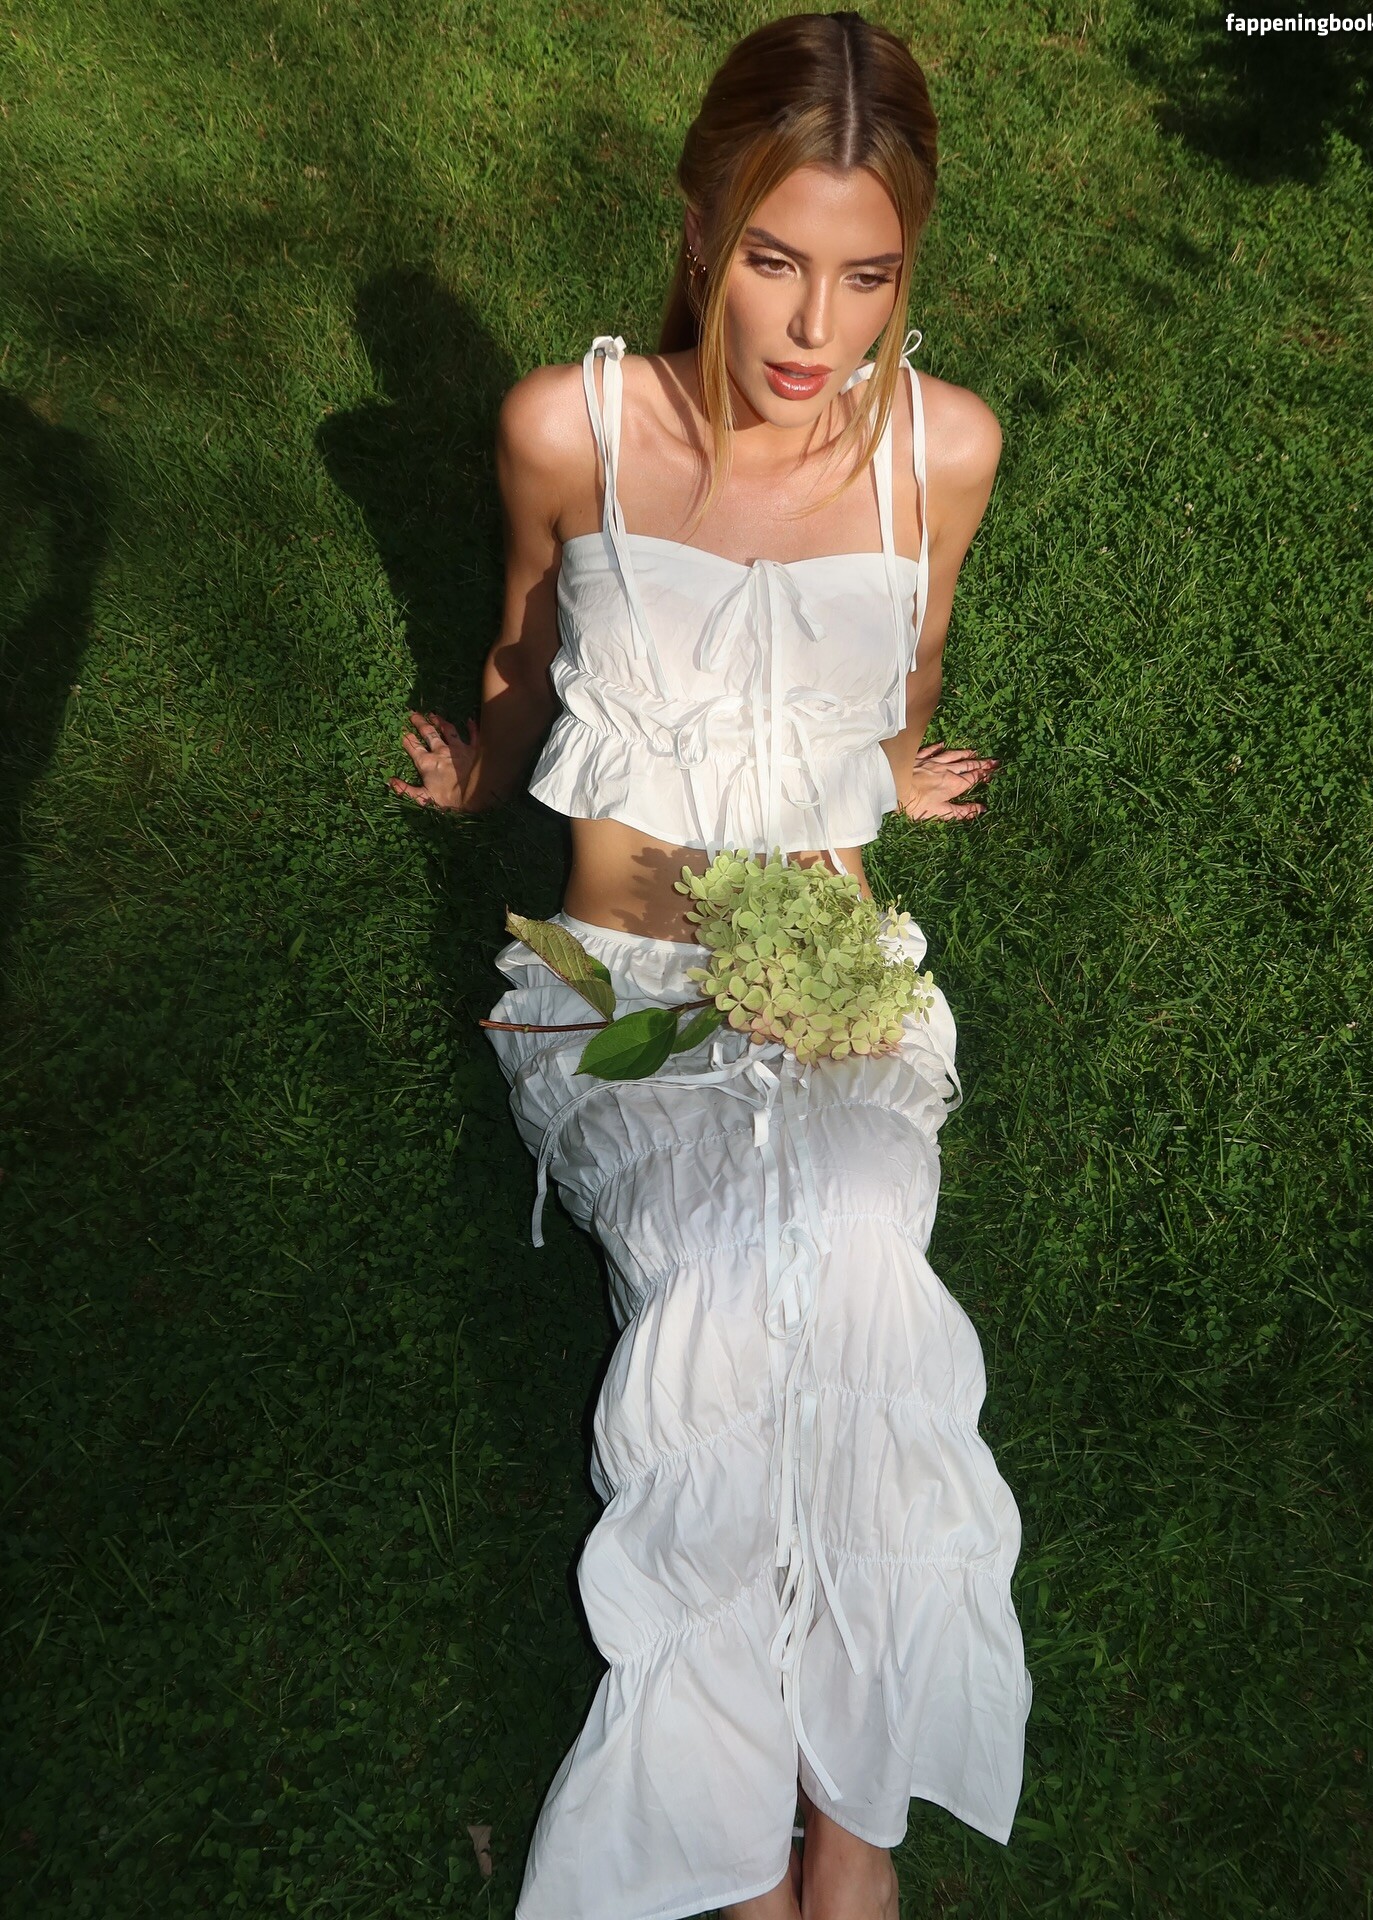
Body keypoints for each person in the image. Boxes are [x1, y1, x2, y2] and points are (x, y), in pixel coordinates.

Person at [390, 13, 1031, 1917]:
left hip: (834, 987)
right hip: (617, 987)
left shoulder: (943, 450)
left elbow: (903, 665)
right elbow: (526, 644)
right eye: (773, 259)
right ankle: (792, 1849)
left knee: (857, 1247)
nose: (816, 326)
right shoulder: (569, 427)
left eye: (867, 275)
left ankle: (830, 1833)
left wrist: (886, 778)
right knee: (735, 1289)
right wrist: (483, 772)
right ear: (698, 228)